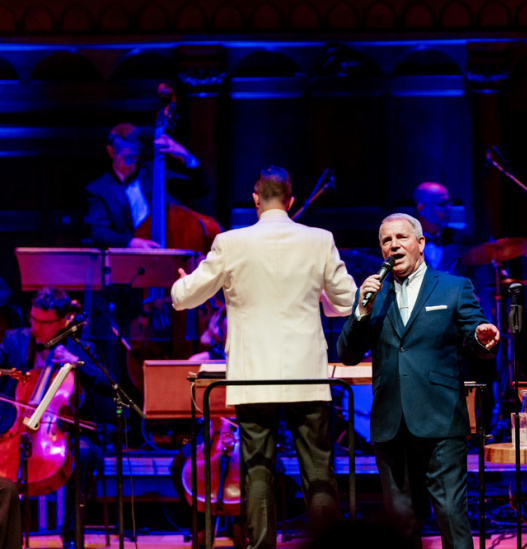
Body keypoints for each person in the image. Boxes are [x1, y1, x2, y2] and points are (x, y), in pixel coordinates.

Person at [171, 165, 357, 548]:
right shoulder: (319, 240)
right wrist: (318, 297)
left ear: (255, 200)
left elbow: (184, 298)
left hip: (252, 376)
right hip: (307, 375)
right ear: (291, 200)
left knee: (258, 469)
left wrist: (179, 281)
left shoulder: (230, 242)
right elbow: (347, 303)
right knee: (318, 469)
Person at [337, 213, 500, 549]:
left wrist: (483, 339)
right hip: (390, 423)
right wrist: (360, 314)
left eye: (401, 238)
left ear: (420, 243)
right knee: (399, 525)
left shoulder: (454, 287)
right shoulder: (373, 295)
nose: (393, 245)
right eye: (386, 240)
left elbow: (474, 335)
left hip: (440, 420)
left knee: (452, 517)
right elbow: (348, 354)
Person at [0, 287, 109, 549]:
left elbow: (107, 384)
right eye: (33, 319)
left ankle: (72, 535)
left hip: (63, 431)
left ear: (62, 321)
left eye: (44, 322)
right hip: (15, 428)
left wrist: (77, 363)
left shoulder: (81, 346)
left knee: (82, 455)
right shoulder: (14, 340)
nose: (36, 327)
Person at [86, 122, 207, 249]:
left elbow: (199, 189)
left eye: (133, 157)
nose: (128, 163)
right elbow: (99, 232)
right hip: (124, 260)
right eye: (123, 157)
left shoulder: (156, 173)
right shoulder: (99, 189)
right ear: (111, 152)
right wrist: (130, 242)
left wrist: (186, 157)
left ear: (140, 149)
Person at [413, 182, 462, 273]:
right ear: (421, 209)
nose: (448, 208)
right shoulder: (403, 242)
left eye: (449, 203)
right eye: (441, 204)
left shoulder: (460, 240)